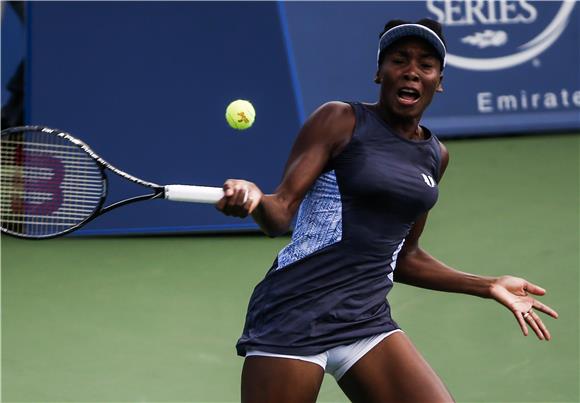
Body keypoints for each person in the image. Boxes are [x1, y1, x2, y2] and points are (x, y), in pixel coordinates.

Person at [216, 18, 558, 403]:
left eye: (425, 65)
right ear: (380, 73)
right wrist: (254, 199)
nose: (412, 71)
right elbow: (279, 214)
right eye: (399, 60)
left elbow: (405, 257)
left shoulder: (435, 155)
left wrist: (488, 284)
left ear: (439, 80)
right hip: (295, 314)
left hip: (365, 320)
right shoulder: (340, 120)